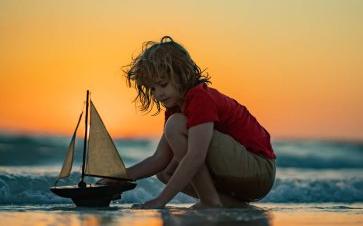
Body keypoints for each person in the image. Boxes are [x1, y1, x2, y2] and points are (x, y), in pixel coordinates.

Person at [98, 36, 276, 208]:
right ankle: (224, 204)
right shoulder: (176, 107)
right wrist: (120, 177)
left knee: (175, 125)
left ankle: (209, 201)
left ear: (182, 75)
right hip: (242, 174)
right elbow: (159, 159)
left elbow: (195, 156)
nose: (158, 94)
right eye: (152, 88)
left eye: (163, 84)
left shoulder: (200, 97)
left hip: (258, 169)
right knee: (164, 171)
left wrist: (161, 200)